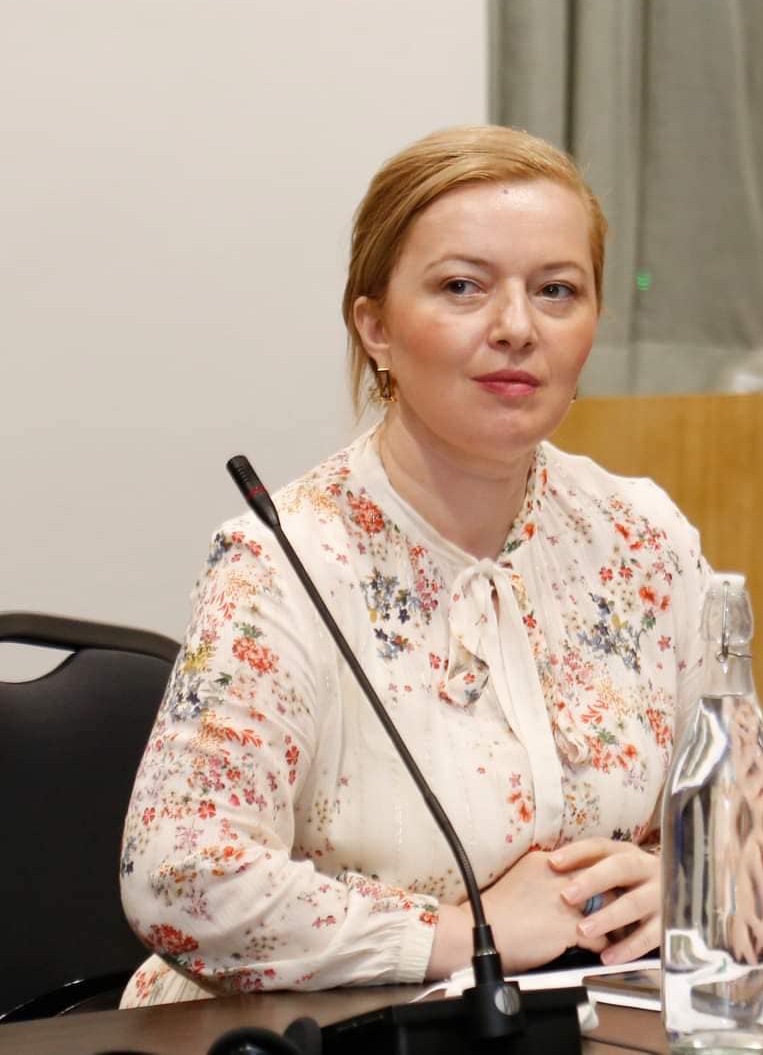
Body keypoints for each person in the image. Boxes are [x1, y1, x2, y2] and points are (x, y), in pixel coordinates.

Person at [118, 126, 711, 1004]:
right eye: (463, 287)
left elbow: (733, 826)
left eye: (556, 290)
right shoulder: (282, 562)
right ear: (376, 327)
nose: (517, 328)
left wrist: (687, 889)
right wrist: (459, 938)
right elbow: (179, 878)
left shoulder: (644, 539)